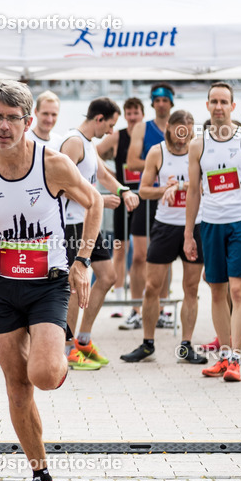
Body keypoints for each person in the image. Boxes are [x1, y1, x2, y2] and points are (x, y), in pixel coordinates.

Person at [0, 79, 101, 481]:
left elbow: (93, 202)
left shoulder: (54, 164)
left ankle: (57, 354)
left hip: (48, 284)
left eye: (11, 118)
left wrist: (82, 261)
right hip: (1, 286)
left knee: (42, 375)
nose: (3, 126)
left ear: (27, 121)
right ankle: (40, 475)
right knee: (17, 385)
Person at [184, 82, 241, 382]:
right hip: (210, 224)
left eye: (224, 101)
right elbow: (193, 191)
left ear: (233, 107)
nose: (219, 106)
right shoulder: (198, 143)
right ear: (207, 105)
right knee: (216, 289)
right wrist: (188, 234)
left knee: (238, 289)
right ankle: (222, 356)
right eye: (214, 101)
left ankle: (235, 358)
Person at [122, 109, 208, 365]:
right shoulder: (157, 151)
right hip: (165, 225)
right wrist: (164, 190)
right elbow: (144, 190)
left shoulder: (199, 150)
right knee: (152, 287)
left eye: (188, 132)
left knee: (190, 288)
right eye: (179, 132)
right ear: (168, 128)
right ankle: (148, 343)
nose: (183, 139)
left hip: (195, 225)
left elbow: (209, 186)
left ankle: (186, 346)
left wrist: (181, 187)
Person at [60, 98, 139, 370]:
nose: (111, 131)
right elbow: (61, 184)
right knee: (73, 286)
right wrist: (99, 201)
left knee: (107, 276)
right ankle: (68, 348)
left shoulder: (89, 143)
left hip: (88, 222)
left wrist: (123, 191)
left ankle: (83, 339)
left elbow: (104, 175)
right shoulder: (73, 142)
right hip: (71, 224)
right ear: (99, 118)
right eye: (111, 124)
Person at [125, 83, 175, 331]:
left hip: (170, 199)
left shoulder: (179, 127)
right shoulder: (142, 128)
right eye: (156, 99)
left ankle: (163, 308)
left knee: (164, 258)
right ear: (152, 103)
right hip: (147, 197)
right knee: (139, 256)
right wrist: (159, 164)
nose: (161, 103)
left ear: (171, 102)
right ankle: (136, 308)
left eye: (165, 99)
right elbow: (132, 161)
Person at [97, 97, 146, 321]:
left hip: (144, 196)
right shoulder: (118, 135)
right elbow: (94, 152)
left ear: (142, 114)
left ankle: (143, 298)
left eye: (136, 113)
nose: (133, 117)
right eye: (129, 113)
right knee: (119, 247)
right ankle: (118, 300)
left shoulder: (147, 134)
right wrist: (112, 177)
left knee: (143, 253)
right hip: (123, 195)